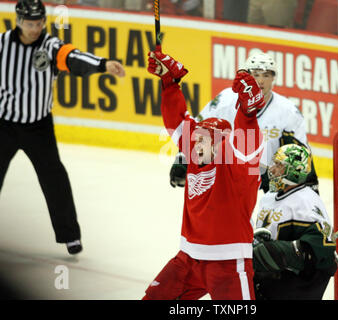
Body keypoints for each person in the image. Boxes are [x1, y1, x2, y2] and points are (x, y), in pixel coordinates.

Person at [0, 0, 125, 255]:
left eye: (39, 23)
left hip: (38, 127)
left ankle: (70, 236)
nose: (35, 28)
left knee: (54, 179)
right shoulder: (1, 44)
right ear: (19, 22)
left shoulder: (50, 46)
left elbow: (74, 57)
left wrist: (102, 65)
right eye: (30, 23)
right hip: (4, 125)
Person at [142, 50, 264, 300]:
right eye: (196, 138)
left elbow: (247, 145)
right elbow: (176, 122)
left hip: (228, 262)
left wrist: (248, 113)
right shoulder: (198, 151)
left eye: (203, 140)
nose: (195, 144)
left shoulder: (237, 166)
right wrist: (170, 82)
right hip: (188, 259)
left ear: (221, 144)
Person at [170, 51, 319, 194]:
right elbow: (198, 129)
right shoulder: (225, 99)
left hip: (269, 179)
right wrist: (182, 158)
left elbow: (301, 154)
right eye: (256, 75)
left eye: (266, 75)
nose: (261, 81)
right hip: (225, 173)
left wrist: (310, 186)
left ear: (273, 78)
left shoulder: (289, 112)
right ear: (247, 76)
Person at [252, 144, 336, 300]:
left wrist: (279, 252)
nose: (272, 169)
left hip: (293, 286)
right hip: (267, 279)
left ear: (295, 170)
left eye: (279, 165)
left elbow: (323, 251)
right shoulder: (268, 197)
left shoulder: (307, 202)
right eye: (274, 163)